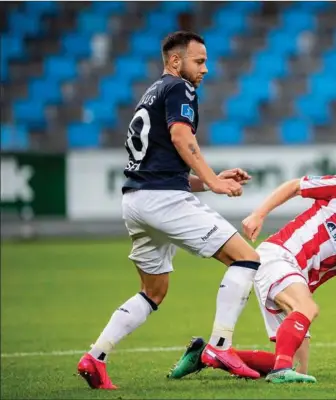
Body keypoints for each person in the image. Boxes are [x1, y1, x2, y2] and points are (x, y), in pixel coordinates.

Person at [76, 31, 263, 390]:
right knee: (246, 259)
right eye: (199, 61)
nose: (205, 69)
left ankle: (95, 358)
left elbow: (159, 164)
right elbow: (181, 137)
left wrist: (206, 181)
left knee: (153, 292)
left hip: (136, 200)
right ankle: (220, 348)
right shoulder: (179, 89)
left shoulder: (150, 94)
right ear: (175, 61)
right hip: (162, 200)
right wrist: (215, 182)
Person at [167, 157, 336, 383]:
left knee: (299, 368)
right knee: (307, 308)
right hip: (278, 255)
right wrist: (258, 214)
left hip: (296, 279)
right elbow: (295, 186)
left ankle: (204, 355)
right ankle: (279, 372)